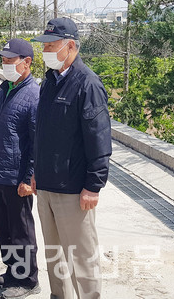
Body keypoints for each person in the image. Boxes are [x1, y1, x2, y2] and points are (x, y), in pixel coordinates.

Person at [31, 18, 112, 299]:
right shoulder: (49, 82)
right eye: (45, 46)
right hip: (46, 186)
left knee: (81, 258)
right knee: (54, 257)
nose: (46, 52)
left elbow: (99, 138)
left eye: (51, 46)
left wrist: (94, 185)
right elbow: (42, 132)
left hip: (74, 191)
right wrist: (35, 170)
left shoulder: (87, 84)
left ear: (70, 46)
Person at [0, 39, 41, 299]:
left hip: (17, 177)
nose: (5, 65)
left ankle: (27, 280)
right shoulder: (4, 89)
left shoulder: (33, 95)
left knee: (20, 230)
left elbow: (36, 142)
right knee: (3, 227)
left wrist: (29, 177)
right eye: (3, 60)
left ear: (26, 63)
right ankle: (11, 272)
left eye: (9, 60)